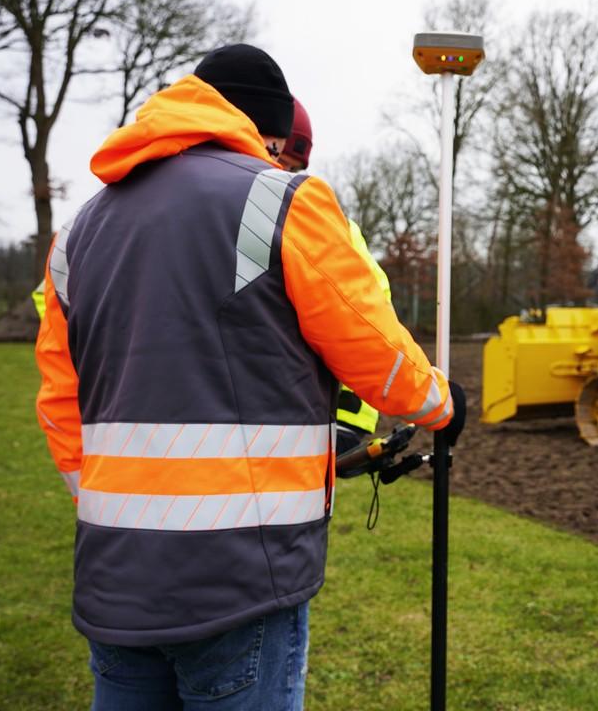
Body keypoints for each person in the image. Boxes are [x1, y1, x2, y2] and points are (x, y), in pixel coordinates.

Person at [35, 43, 461, 710]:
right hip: (240, 578)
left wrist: (114, 508)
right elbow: (369, 344)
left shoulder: (78, 232)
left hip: (117, 574)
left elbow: (61, 400)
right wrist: (441, 403)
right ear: (271, 133)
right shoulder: (282, 200)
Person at [276, 98, 386, 450]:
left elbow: (366, 315)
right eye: (277, 160)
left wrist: (350, 418)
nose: (281, 175)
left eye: (291, 169)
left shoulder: (326, 226)